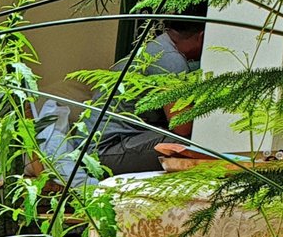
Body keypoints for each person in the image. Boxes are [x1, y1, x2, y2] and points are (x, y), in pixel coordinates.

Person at [84, 17, 205, 175]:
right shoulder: (170, 59)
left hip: (98, 146)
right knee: (193, 144)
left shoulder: (157, 47)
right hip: (104, 153)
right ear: (202, 37)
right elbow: (182, 126)